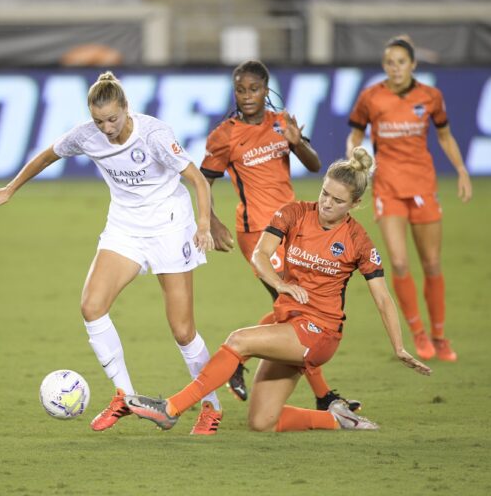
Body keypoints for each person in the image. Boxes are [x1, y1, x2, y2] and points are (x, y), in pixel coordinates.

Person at [0, 71, 224, 435]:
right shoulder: (86, 135)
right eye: (98, 121)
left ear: (126, 109)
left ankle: (211, 407)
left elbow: (197, 179)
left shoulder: (154, 134)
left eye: (112, 119)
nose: (106, 128)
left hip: (169, 225)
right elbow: (46, 156)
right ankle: (125, 395)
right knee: (91, 306)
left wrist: (203, 223)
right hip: (125, 227)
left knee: (183, 331)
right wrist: (11, 189)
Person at [123, 148, 432, 433]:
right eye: (325, 193)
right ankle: (336, 419)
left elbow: (382, 297)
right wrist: (280, 283)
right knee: (262, 421)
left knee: (238, 340)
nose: (327, 203)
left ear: (354, 204)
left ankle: (171, 408)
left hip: (319, 332)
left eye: (338, 201)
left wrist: (399, 347)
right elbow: (260, 254)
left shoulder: (358, 240)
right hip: (289, 324)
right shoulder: (295, 213)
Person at [201, 60, 359, 412]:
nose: (247, 96)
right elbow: (204, 181)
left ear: (266, 89)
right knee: (297, 307)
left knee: (294, 308)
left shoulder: (281, 123)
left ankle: (237, 361)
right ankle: (324, 397)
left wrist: (296, 143)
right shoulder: (224, 135)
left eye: (254, 89)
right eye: (240, 90)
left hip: (296, 228)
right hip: (257, 232)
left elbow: (315, 165)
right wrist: (211, 220)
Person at [346, 35, 473, 362]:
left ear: (413, 65)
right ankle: (417, 334)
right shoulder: (370, 97)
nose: (396, 68)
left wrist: (461, 170)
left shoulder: (430, 97)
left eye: (401, 62)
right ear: (384, 66)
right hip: (387, 188)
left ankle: (440, 336)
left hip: (422, 186)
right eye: (390, 62)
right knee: (399, 262)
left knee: (431, 263)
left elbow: (444, 135)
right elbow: (356, 133)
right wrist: (354, 157)